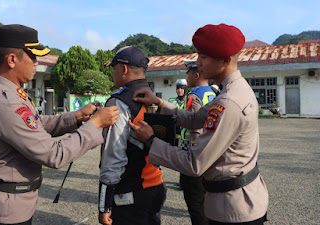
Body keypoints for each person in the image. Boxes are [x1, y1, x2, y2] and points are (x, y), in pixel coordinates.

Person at [0, 24, 120, 225]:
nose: (36, 62)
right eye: (32, 56)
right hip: (6, 210)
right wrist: (95, 124)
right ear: (12, 60)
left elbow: (35, 124)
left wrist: (76, 117)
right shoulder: (7, 102)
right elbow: (54, 155)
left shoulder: (10, 91)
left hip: (12, 202)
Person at [130, 23, 269, 224]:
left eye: (203, 57)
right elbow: (195, 119)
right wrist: (159, 102)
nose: (198, 63)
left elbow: (194, 164)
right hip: (238, 200)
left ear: (225, 60)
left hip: (232, 209)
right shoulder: (234, 89)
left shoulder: (229, 101)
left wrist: (151, 140)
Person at [98, 46, 166, 225]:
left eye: (114, 68)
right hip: (156, 185)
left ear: (124, 69)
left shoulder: (119, 102)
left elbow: (113, 156)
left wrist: (104, 205)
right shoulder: (155, 99)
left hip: (130, 193)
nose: (113, 74)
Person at [179, 61, 215, 225]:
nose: (187, 77)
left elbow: (193, 122)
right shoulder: (213, 93)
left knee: (195, 200)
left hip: (193, 148)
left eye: (188, 73)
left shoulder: (193, 95)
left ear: (196, 75)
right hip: (210, 148)